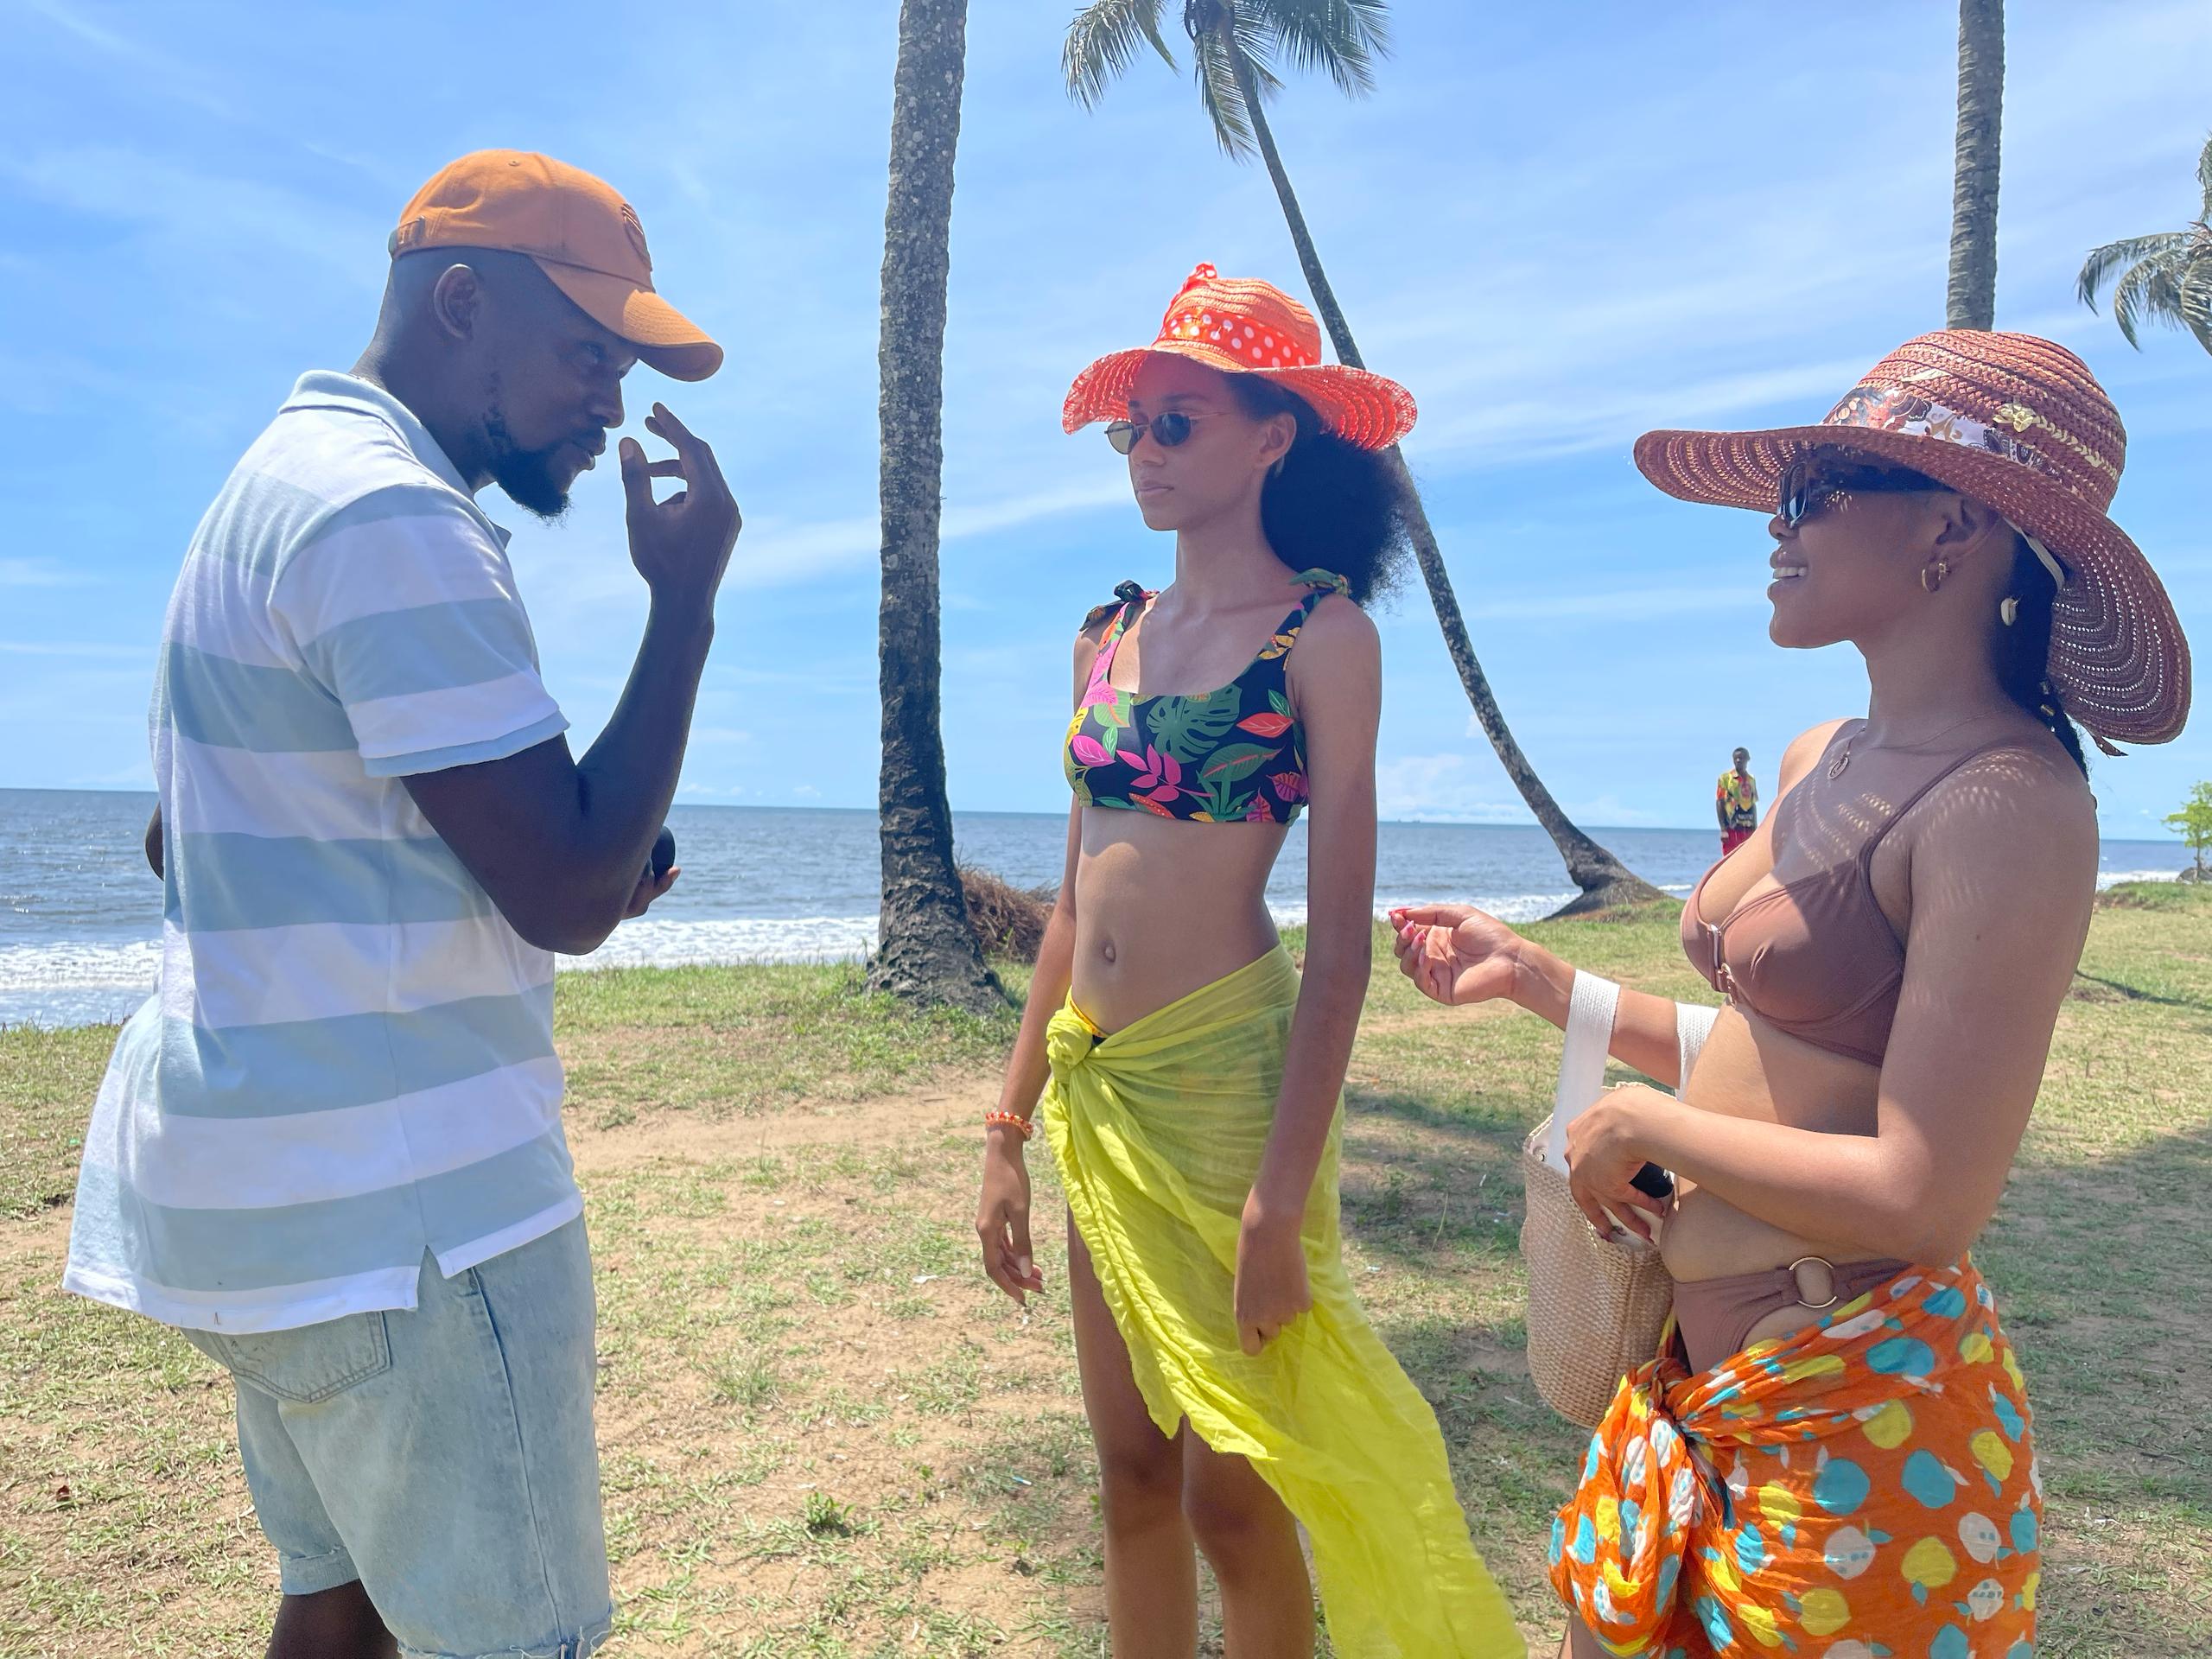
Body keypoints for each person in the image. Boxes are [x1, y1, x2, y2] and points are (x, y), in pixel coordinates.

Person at [1392, 331, 2190, 1658]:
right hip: (1693, 1394)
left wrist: (1645, 1126)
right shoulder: (1828, 755)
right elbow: (1779, 1051)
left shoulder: (2009, 806)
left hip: (1852, 1421)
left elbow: (1926, 1193)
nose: (1780, 521)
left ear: (1955, 525)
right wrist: (1545, 982)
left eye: (1817, 489)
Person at [63, 150, 741, 1659]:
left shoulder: (269, 489)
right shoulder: (392, 515)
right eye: (586, 353)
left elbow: (198, 843)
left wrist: (565, 861)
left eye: (624, 369)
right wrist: (685, 602)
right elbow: (567, 890)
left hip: (270, 1205)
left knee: (339, 1604)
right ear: (460, 304)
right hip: (411, 1222)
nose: (610, 402)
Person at [973, 264, 1523, 1657]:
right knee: (1131, 1470)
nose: (1145, 451)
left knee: (1237, 1491)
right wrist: (1005, 1130)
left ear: (1274, 435)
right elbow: (1067, 907)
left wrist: (1281, 1200)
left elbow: (1339, 950)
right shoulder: (1107, 635)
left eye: (1179, 423)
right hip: (1101, 1088)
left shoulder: (1322, 639)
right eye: (1134, 427)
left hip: (1228, 1086)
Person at [1714, 746, 1757, 855]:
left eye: (1741, 758)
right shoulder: (1726, 778)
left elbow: (1753, 804)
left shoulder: (1751, 780)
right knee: (1730, 858)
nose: (1738, 760)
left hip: (1748, 827)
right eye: (1736, 758)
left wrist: (1756, 828)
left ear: (1747, 759)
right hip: (1732, 828)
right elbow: (1720, 803)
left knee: (1748, 857)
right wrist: (1723, 829)